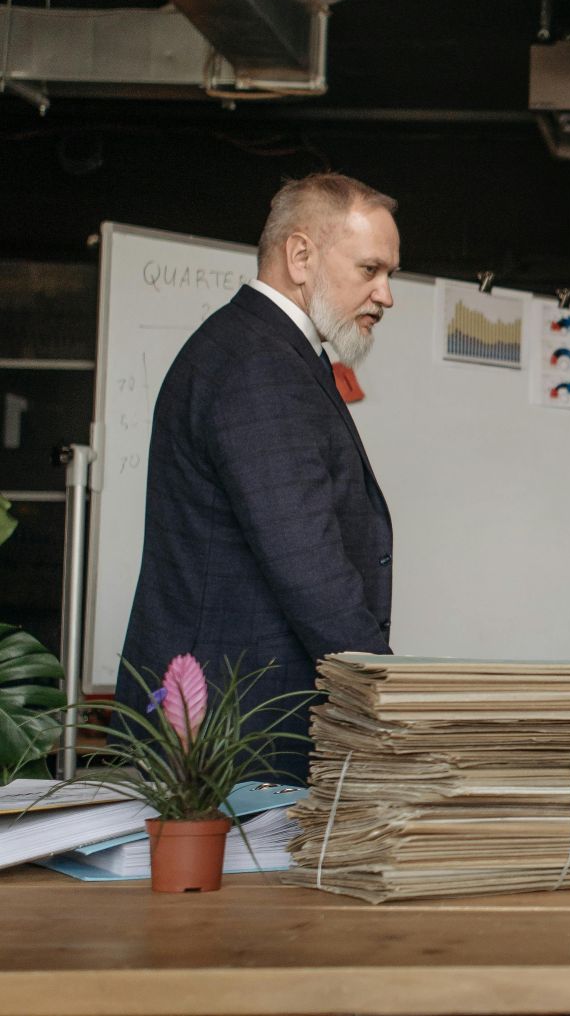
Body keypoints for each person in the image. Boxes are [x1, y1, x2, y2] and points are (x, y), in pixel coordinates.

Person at [116, 173, 401, 781]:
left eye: (390, 275)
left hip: (233, 729)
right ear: (301, 256)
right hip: (231, 738)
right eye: (371, 269)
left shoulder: (259, 349)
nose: (385, 294)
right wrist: (391, 696)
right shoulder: (260, 365)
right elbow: (308, 567)